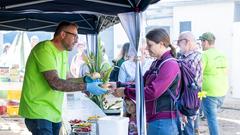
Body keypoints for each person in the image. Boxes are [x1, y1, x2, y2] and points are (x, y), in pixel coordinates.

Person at [19, 21, 108, 135]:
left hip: (53, 112)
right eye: (74, 36)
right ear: (62, 34)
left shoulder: (63, 52)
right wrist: (86, 86)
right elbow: (55, 83)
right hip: (38, 111)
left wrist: (84, 80)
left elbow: (66, 79)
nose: (77, 40)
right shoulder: (44, 49)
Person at [112, 28, 181, 135]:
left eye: (150, 45)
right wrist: (118, 84)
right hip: (154, 119)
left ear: (161, 44)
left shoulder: (170, 64)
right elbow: (141, 84)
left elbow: (152, 92)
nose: (147, 49)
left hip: (164, 122)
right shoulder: (157, 62)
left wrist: (125, 91)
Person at [199, 32, 229, 135]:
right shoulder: (222, 54)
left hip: (209, 92)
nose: (201, 44)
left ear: (206, 42)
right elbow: (226, 72)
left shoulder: (205, 55)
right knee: (209, 113)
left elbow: (199, 73)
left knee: (212, 119)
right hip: (222, 90)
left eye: (202, 41)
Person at [176, 31, 202, 135]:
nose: (178, 46)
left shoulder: (193, 58)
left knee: (187, 128)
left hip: (188, 100)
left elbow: (187, 82)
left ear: (186, 42)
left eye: (179, 42)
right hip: (189, 99)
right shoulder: (185, 57)